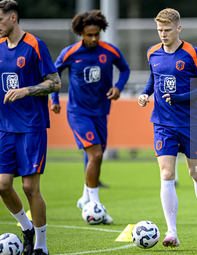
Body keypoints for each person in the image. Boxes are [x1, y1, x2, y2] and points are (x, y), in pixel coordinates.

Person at [138, 8, 197, 248]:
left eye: (167, 30)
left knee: (196, 174)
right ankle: (171, 232)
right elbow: (154, 77)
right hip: (163, 123)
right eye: (160, 30)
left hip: (191, 124)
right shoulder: (152, 53)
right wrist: (145, 93)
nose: (163, 34)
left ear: (178, 29)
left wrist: (180, 97)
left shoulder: (193, 53)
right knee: (167, 174)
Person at [51, 10, 130, 224]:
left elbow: (125, 69)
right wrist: (55, 99)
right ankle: (94, 205)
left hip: (101, 112)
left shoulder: (109, 51)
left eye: (96, 34)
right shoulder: (70, 53)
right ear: (81, 33)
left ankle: (85, 197)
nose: (93, 39)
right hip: (78, 111)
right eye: (89, 35)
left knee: (97, 155)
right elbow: (53, 75)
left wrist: (118, 87)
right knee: (95, 154)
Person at [0, 1, 61, 254]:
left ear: (13, 18)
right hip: (5, 126)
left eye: (0, 19)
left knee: (29, 188)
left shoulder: (36, 46)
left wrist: (27, 90)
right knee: (2, 185)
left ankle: (41, 246)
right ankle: (26, 228)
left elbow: (55, 82)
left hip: (31, 126)